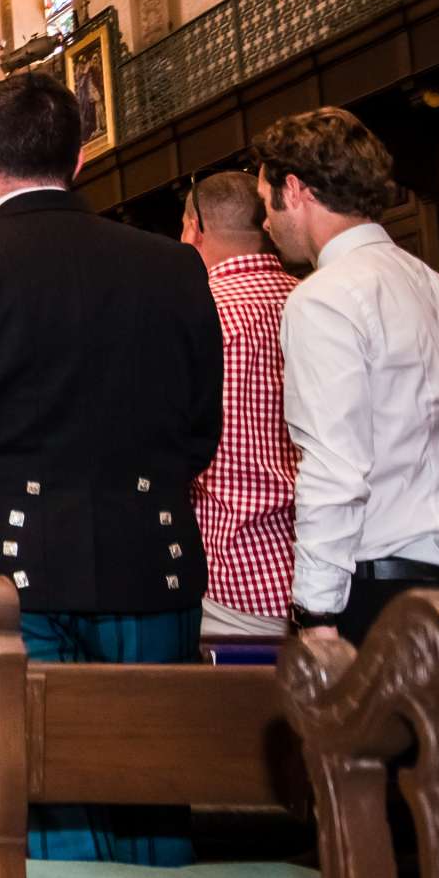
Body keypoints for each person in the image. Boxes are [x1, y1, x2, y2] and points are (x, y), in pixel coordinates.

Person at [0, 70, 221, 864]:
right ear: (81, 160)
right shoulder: (172, 267)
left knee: (25, 771)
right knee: (148, 772)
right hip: (148, 550)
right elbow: (201, 430)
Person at [254, 108, 439, 642]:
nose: (266, 223)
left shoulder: (323, 297)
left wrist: (315, 614)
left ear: (296, 189)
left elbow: (333, 466)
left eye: (266, 202)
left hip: (389, 601)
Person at [178, 172, 299, 638]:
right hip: (324, 575)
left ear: (194, 229)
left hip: (230, 576)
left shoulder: (197, 315)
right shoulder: (312, 300)